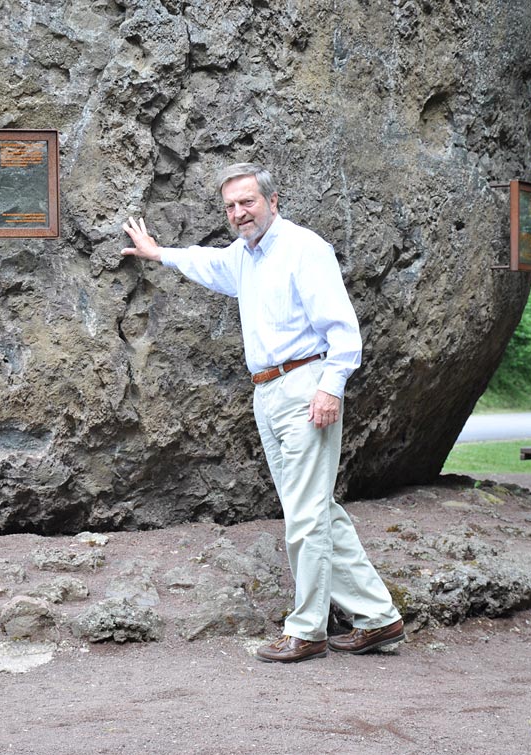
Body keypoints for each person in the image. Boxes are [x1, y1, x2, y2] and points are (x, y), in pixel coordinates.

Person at [121, 163, 404, 663]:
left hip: (305, 387)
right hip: (267, 392)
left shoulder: (304, 249)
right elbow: (207, 263)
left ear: (273, 201)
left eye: (247, 202)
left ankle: (308, 630)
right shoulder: (244, 256)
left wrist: (330, 388)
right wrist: (158, 254)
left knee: (306, 515)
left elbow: (343, 329)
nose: (238, 213)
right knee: (315, 509)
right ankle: (379, 618)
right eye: (230, 206)